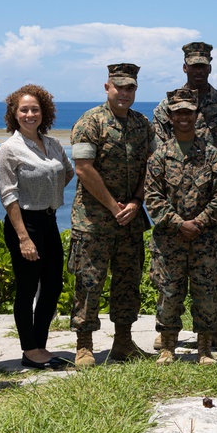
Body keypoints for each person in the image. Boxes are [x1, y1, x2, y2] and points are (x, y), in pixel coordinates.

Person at [151, 41, 217, 350]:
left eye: (203, 65)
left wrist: (207, 213)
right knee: (169, 281)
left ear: (210, 67)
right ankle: (167, 334)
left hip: (212, 210)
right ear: (185, 67)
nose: (198, 70)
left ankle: (214, 329)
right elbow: (161, 156)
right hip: (174, 204)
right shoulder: (165, 108)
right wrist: (177, 219)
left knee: (214, 278)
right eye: (193, 64)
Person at [69, 63, 155, 367]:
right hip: (94, 222)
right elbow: (83, 168)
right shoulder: (89, 122)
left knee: (128, 283)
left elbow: (151, 166)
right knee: (89, 284)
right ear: (108, 87)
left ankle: (123, 342)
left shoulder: (142, 124)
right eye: (119, 87)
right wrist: (112, 205)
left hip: (130, 219)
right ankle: (84, 345)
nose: (125, 92)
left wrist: (136, 200)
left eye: (130, 87)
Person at [145, 88, 217, 366]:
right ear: (170, 116)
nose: (183, 117)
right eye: (178, 111)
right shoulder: (160, 157)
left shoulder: (213, 156)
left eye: (188, 112)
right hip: (170, 240)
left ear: (196, 115)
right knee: (169, 294)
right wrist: (179, 223)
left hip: (206, 240)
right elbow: (152, 197)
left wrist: (200, 222)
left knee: (206, 294)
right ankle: (168, 346)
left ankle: (204, 349)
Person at [0, 84, 74, 370]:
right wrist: (24, 238)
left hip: (49, 220)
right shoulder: (8, 150)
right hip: (24, 224)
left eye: (35, 109)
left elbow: (67, 170)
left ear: (44, 112)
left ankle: (40, 345)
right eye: (24, 109)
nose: (30, 114)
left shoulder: (52, 143)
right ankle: (29, 350)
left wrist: (49, 195)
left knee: (52, 286)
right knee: (27, 289)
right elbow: (8, 196)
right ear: (14, 114)